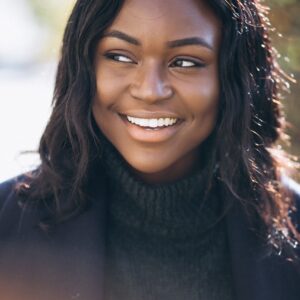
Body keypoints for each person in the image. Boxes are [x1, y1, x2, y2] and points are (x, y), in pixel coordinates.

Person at [0, 0, 299, 299]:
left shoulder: (294, 226)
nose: (150, 91)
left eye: (185, 62)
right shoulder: (7, 224)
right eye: (120, 56)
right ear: (84, 67)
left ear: (234, 75)